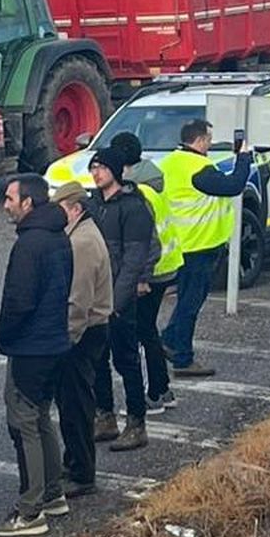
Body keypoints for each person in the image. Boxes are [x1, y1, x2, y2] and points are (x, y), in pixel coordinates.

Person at [0, 174, 73, 537]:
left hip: (30, 346)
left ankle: (30, 510)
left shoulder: (29, 244)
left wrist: (3, 334)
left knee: (23, 423)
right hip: (54, 341)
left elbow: (19, 300)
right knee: (40, 419)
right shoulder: (58, 236)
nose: (5, 205)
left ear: (28, 203)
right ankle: (53, 493)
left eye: (10, 199)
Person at [97, 133, 180, 438]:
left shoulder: (137, 195)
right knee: (147, 332)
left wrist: (142, 278)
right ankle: (161, 390)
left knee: (140, 335)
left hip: (149, 273)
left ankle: (155, 393)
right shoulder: (150, 182)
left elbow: (145, 243)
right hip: (164, 267)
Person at [159, 119, 253, 378]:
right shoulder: (199, 169)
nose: (210, 145)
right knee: (190, 304)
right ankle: (183, 359)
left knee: (186, 300)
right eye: (209, 140)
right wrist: (243, 158)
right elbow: (234, 186)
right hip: (200, 245)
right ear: (200, 141)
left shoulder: (169, 163)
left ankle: (168, 340)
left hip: (179, 244)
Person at [87, 147, 160, 452]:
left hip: (119, 299)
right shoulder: (92, 204)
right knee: (97, 358)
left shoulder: (133, 207)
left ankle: (136, 422)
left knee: (126, 360)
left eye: (102, 167)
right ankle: (105, 415)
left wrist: (116, 302)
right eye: (93, 168)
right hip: (95, 296)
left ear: (116, 171)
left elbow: (134, 259)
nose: (96, 173)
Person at [50, 182, 111, 495]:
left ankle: (82, 473)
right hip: (87, 327)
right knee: (72, 403)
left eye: (60, 208)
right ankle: (74, 461)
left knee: (76, 405)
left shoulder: (82, 242)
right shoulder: (80, 235)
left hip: (84, 331)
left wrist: (67, 339)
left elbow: (79, 299)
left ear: (75, 209)